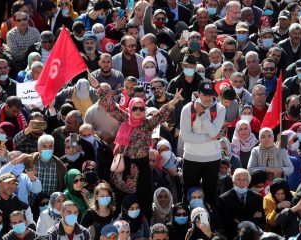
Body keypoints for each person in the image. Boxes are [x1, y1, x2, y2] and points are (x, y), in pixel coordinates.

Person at [89, 74, 183, 220]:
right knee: (123, 198)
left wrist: (174, 101)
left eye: (141, 108)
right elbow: (110, 107)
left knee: (144, 199)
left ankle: (143, 227)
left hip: (143, 168)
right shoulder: (124, 119)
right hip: (125, 167)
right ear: (130, 109)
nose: (138, 111)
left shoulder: (147, 123)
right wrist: (97, 87)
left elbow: (160, 115)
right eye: (135, 109)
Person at [180, 79, 226, 206]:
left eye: (211, 94)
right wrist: (209, 138)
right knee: (189, 193)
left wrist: (201, 113)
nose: (208, 98)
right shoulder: (187, 109)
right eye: (205, 94)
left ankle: (211, 223)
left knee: (210, 194)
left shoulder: (220, 108)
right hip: (191, 158)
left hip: (212, 159)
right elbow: (185, 136)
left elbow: (213, 132)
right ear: (198, 93)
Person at [219, 168, 265, 240]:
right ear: (233, 181)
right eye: (238, 179)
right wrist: (252, 218)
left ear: (249, 182)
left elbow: (261, 220)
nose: (241, 182)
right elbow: (227, 222)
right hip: (234, 237)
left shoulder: (257, 197)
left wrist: (238, 220)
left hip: (254, 238)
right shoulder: (224, 198)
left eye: (244, 179)